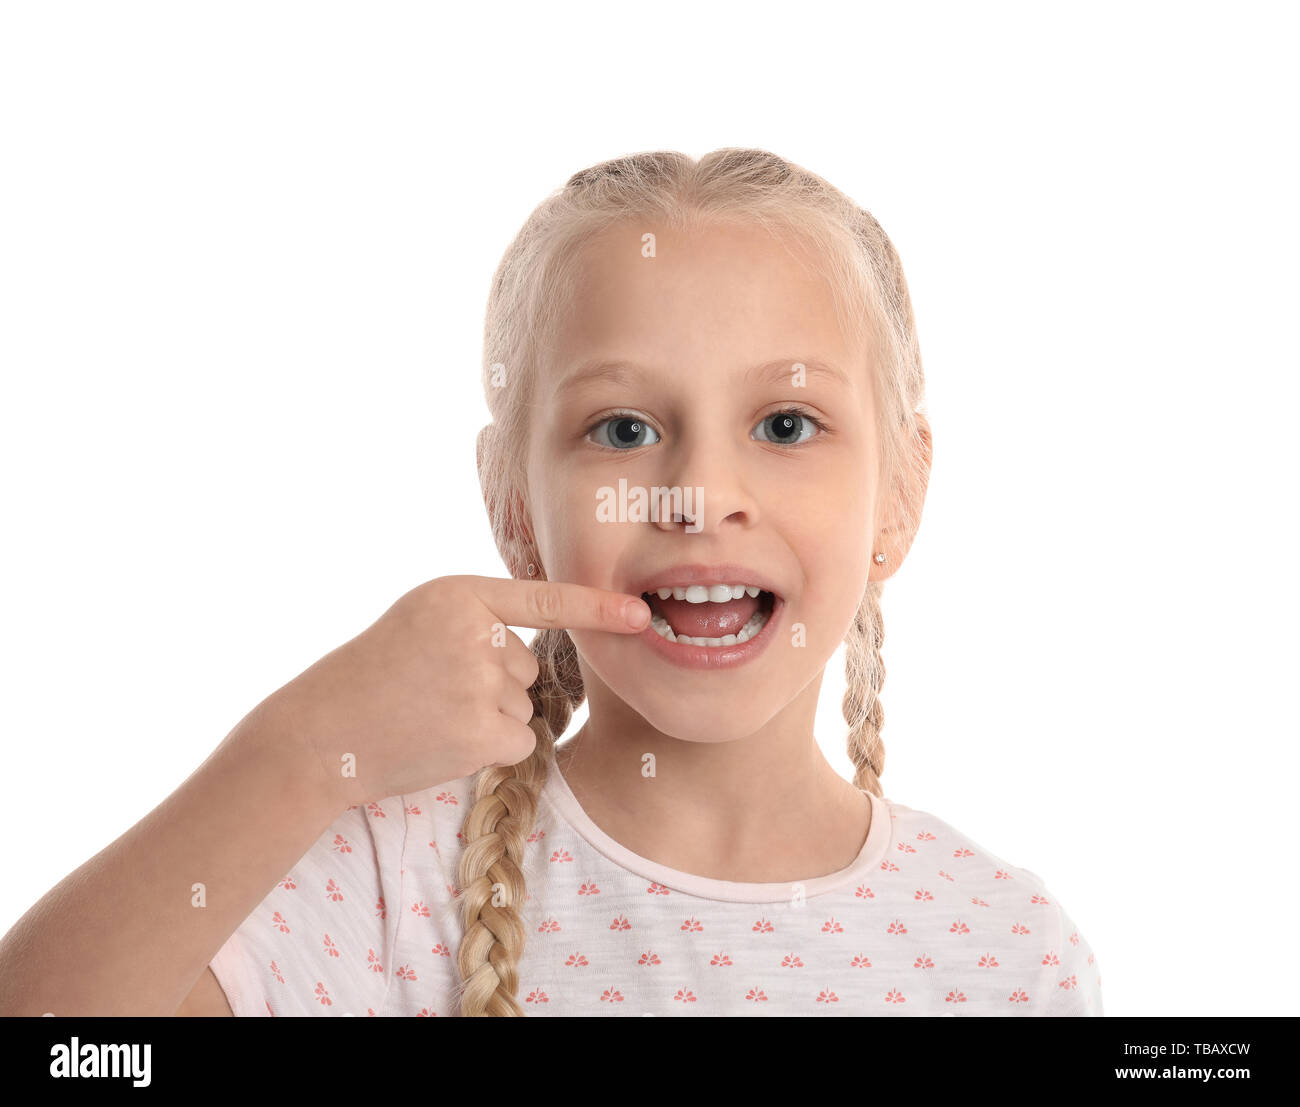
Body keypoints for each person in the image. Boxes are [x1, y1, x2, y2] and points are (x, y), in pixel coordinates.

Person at [0, 148, 1102, 1017]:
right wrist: (301, 750)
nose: (697, 494)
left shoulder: (1010, 949)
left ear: (900, 493)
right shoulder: (387, 888)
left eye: (785, 424)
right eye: (622, 429)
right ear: (515, 508)